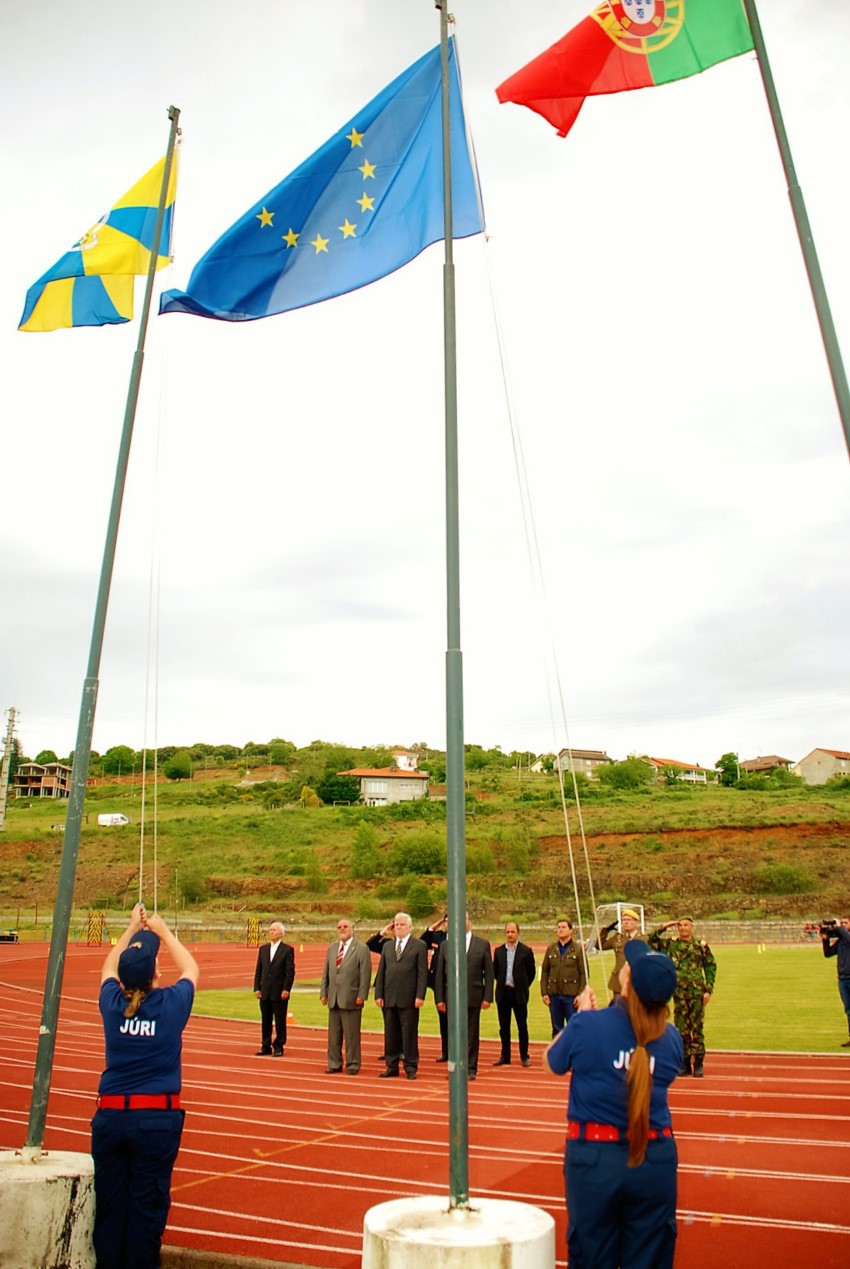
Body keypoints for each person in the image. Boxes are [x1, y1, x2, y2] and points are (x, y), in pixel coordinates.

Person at [546, 940, 683, 1269]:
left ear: (627, 980)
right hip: (655, 1159)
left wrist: (583, 1017)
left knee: (592, 1253)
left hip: (595, 1159)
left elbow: (552, 1061)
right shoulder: (672, 1039)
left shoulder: (588, 1026)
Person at [91, 902, 199, 1269]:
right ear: (156, 973)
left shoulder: (111, 1003)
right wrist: (164, 932)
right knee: (145, 1211)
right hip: (155, 1120)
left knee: (109, 1208)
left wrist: (129, 929)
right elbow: (191, 969)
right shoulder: (170, 1004)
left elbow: (108, 966)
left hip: (110, 1117)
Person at [648, 915, 716, 1077]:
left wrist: (708, 989)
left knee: (697, 1028)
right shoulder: (671, 944)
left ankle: (698, 1062)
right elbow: (651, 940)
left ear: (692, 928)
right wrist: (665, 926)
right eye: (680, 926)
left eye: (686, 925)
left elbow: (710, 967)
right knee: (681, 1029)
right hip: (679, 993)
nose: (683, 928)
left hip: (696, 992)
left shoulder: (701, 946)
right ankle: (684, 1062)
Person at [434, 913, 494, 1080]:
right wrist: (439, 998)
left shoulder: (482, 945)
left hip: (473, 995)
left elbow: (489, 974)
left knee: (471, 1034)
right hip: (451, 997)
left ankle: (470, 1068)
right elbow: (440, 975)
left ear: (470, 922)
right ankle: (454, 1067)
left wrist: (487, 997)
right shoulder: (445, 946)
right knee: (453, 1035)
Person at [374, 912, 428, 1080]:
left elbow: (422, 974)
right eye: (396, 925)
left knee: (409, 1034)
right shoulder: (387, 947)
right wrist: (378, 994)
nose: (398, 927)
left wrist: (420, 995)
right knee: (390, 1034)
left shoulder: (419, 945)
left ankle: (411, 1067)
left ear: (410, 927)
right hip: (389, 997)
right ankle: (391, 1066)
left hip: (409, 998)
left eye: (402, 925)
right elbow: (381, 971)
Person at [320, 918, 371, 1074]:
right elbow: (326, 973)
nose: (342, 929)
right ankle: (334, 1063)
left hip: (351, 998)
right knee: (333, 1036)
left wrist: (362, 995)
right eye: (339, 927)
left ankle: (353, 1064)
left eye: (345, 926)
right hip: (333, 998)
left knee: (351, 1036)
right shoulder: (332, 949)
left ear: (352, 929)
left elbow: (365, 973)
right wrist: (324, 992)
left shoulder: (361, 949)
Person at [492, 921, 536, 1067]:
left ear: (518, 933)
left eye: (513, 932)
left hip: (519, 994)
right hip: (503, 994)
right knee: (504, 1027)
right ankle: (505, 1056)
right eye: (508, 932)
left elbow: (531, 973)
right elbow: (495, 972)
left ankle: (524, 1056)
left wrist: (523, 986)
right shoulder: (498, 951)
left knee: (522, 1026)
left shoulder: (526, 951)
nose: (510, 934)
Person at [253, 920, 295, 1056]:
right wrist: (257, 988)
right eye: (270, 930)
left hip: (279, 992)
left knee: (280, 1021)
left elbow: (290, 972)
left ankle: (279, 1046)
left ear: (281, 933)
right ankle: (265, 1045)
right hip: (265, 991)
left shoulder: (287, 950)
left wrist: (286, 989)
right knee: (265, 1020)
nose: (271, 932)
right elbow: (259, 970)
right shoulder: (263, 949)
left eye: (274, 930)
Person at [541, 918, 587, 1037]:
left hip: (571, 996)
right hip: (554, 995)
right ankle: (557, 1054)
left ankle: (574, 1054)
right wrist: (544, 992)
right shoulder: (551, 949)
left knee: (574, 1028)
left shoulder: (578, 949)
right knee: (557, 1029)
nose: (560, 930)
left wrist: (581, 994)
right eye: (559, 927)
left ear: (571, 930)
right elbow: (545, 971)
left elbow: (584, 973)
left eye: (563, 927)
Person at [598, 908, 648, 1000]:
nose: (626, 922)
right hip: (618, 982)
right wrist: (605, 931)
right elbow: (600, 946)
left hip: (636, 981)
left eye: (629, 920)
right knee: (619, 1010)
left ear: (636, 923)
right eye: (624, 920)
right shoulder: (617, 938)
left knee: (635, 1010)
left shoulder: (644, 939)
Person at [420, 912, 449, 1061]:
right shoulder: (438, 936)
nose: (447, 924)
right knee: (443, 1020)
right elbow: (422, 941)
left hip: (454, 984)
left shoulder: (462, 938)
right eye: (446, 922)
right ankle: (446, 1052)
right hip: (439, 984)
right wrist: (434, 925)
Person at [821, 917, 850, 1046]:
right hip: (843, 979)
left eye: (846, 923)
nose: (843, 925)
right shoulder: (840, 942)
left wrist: (839, 927)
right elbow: (828, 954)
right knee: (849, 1010)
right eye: (842, 923)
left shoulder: (847, 938)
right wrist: (825, 939)